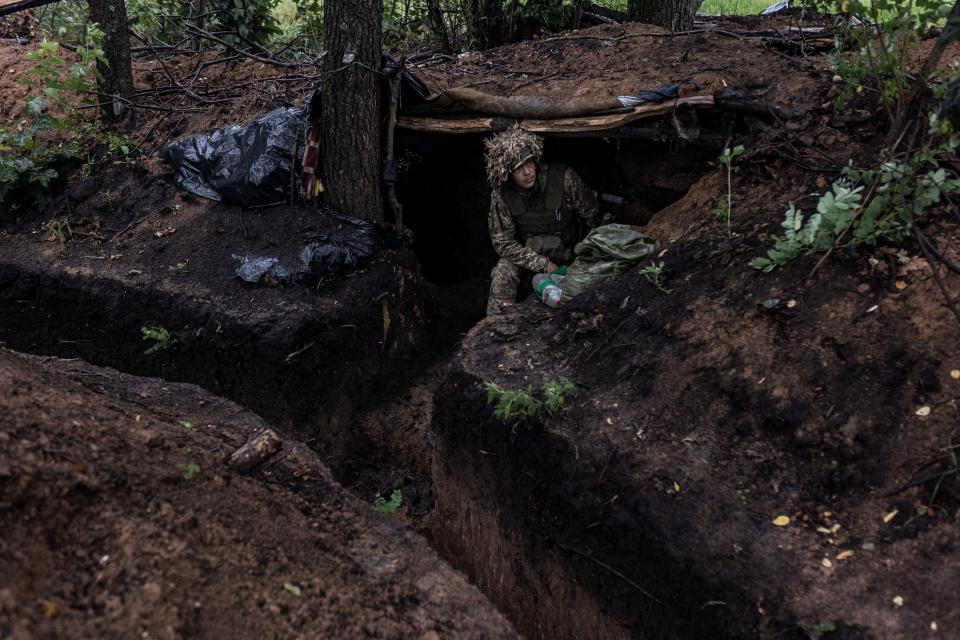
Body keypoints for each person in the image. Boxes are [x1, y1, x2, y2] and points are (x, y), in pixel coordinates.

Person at [484, 127, 599, 315]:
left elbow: (592, 218)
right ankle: (493, 327)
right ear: (507, 173)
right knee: (502, 271)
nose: (527, 172)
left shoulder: (563, 179)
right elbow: (503, 243)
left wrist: (583, 255)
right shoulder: (502, 195)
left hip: (571, 252)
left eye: (529, 163)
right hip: (529, 257)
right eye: (518, 168)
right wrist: (543, 265)